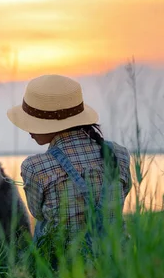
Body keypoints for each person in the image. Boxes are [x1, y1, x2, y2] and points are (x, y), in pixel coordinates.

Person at [7, 74, 132, 264]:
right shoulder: (118, 153)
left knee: (42, 223)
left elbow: (38, 214)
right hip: (116, 258)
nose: (28, 129)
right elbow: (124, 191)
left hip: (61, 263)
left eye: (32, 120)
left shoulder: (35, 166)